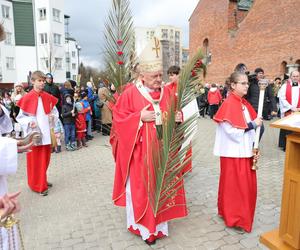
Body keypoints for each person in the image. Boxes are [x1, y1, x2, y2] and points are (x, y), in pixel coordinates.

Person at [112, 38, 187, 245]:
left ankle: (160, 226)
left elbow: (173, 114)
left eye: (160, 75)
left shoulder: (168, 93)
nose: (158, 79)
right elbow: (118, 123)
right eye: (154, 76)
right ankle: (145, 229)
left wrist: (177, 118)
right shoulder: (129, 94)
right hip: (140, 156)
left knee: (161, 189)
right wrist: (138, 119)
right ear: (142, 75)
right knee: (143, 191)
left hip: (163, 153)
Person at [213, 72, 263, 233]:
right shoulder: (229, 103)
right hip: (233, 154)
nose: (246, 85)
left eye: (247, 83)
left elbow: (253, 129)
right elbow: (231, 131)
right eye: (243, 83)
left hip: (245, 152)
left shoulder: (244, 104)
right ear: (233, 85)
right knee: (235, 188)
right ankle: (234, 218)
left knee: (244, 188)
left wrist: (255, 146)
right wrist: (252, 125)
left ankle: (234, 214)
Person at [17, 71, 59, 196]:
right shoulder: (27, 98)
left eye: (43, 81)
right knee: (35, 161)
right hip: (34, 135)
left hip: (46, 133)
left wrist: (52, 117)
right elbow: (21, 117)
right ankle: (39, 186)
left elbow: (54, 112)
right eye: (39, 81)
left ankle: (42, 180)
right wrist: (30, 122)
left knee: (45, 160)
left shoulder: (47, 96)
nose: (42, 83)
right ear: (33, 81)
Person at [277, 70, 300, 150]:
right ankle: (286, 146)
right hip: (288, 110)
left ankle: (296, 146)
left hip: (298, 111)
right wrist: (290, 107)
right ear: (290, 77)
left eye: (297, 76)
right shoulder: (285, 86)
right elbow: (282, 98)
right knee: (287, 128)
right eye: (294, 76)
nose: (295, 78)